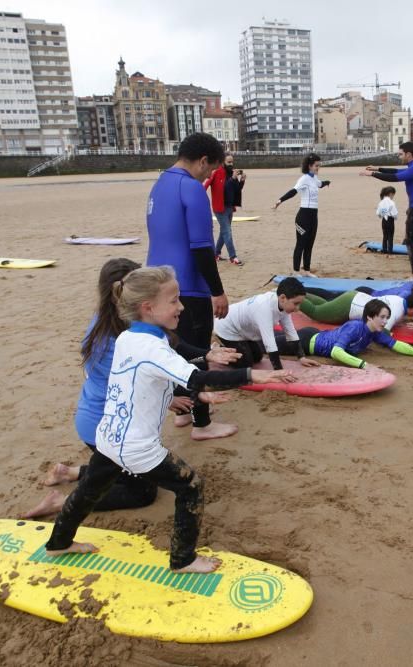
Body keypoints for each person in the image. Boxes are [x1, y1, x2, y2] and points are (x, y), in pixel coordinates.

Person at [43, 266, 292, 573]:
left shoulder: (129, 337)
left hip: (109, 435)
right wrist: (258, 375)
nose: (182, 307)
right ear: (148, 307)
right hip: (136, 446)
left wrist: (201, 375)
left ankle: (59, 542)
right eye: (174, 301)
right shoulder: (151, 347)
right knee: (190, 486)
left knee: (89, 491)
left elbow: (163, 370)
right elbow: (198, 378)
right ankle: (183, 559)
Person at [23, 259, 243, 519]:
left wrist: (207, 355)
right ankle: (62, 502)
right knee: (142, 492)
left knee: (114, 469)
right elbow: (148, 381)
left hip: (108, 419)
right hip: (103, 423)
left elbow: (174, 347)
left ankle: (68, 472)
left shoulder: (128, 321)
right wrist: (191, 393)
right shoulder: (113, 340)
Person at [146, 132, 233, 437]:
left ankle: (182, 414)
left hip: (156, 285)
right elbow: (201, 248)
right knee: (197, 354)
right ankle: (203, 423)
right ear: (203, 160)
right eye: (211, 170)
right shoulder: (192, 188)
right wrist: (217, 291)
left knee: (175, 351)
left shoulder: (160, 185)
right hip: (187, 288)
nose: (210, 176)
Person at [291, 298, 413, 368]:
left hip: (315, 334)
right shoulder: (355, 327)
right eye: (382, 317)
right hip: (306, 342)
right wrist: (365, 365)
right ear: (369, 317)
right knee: (268, 345)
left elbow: (396, 345)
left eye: (387, 317)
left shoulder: (375, 331)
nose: (386, 321)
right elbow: (336, 352)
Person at [213, 277, 321, 370]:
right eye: (296, 304)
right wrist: (279, 370)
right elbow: (269, 341)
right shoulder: (264, 308)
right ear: (283, 298)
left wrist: (301, 357)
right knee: (245, 364)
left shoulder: (282, 305)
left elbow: (290, 331)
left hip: (244, 331)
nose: (298, 309)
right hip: (226, 327)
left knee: (257, 357)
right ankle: (217, 349)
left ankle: (231, 347)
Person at [361, 142, 413, 278]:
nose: (399, 156)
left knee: (411, 242)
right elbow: (396, 171)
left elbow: (394, 178)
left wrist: (372, 174)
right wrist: (378, 168)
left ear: (408, 154)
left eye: (400, 154)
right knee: (412, 241)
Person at [274, 153, 330, 277]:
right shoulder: (304, 179)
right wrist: (280, 200)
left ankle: (306, 270)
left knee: (310, 244)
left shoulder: (314, 178)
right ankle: (295, 271)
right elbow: (294, 191)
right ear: (309, 166)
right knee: (301, 244)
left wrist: (327, 182)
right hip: (303, 217)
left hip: (313, 216)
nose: (318, 168)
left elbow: (319, 184)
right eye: (316, 166)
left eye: (319, 166)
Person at [299, 289, 413, 331]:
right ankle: (293, 296)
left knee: (325, 306)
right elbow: (382, 332)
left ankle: (301, 293)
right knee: (315, 313)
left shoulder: (399, 300)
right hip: (349, 305)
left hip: (355, 297)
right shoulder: (395, 311)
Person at [203, 153, 246, 265]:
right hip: (219, 208)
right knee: (227, 232)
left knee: (223, 231)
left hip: (230, 207)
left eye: (232, 162)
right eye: (229, 162)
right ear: (223, 162)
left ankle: (216, 254)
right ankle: (233, 257)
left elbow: (236, 189)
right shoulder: (216, 172)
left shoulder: (232, 173)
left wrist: (242, 180)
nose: (231, 164)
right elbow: (207, 186)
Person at [305, 275, 413, 302]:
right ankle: (304, 291)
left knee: (330, 295)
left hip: (366, 291)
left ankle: (304, 290)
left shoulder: (410, 285)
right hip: (364, 295)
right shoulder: (406, 294)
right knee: (329, 298)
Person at [376, 186, 398, 254]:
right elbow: (395, 214)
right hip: (390, 220)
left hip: (383, 221)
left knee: (385, 236)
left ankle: (384, 251)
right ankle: (390, 253)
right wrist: (395, 218)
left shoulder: (381, 202)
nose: (393, 197)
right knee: (390, 237)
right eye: (393, 195)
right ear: (391, 194)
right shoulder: (391, 202)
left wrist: (382, 215)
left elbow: (378, 213)